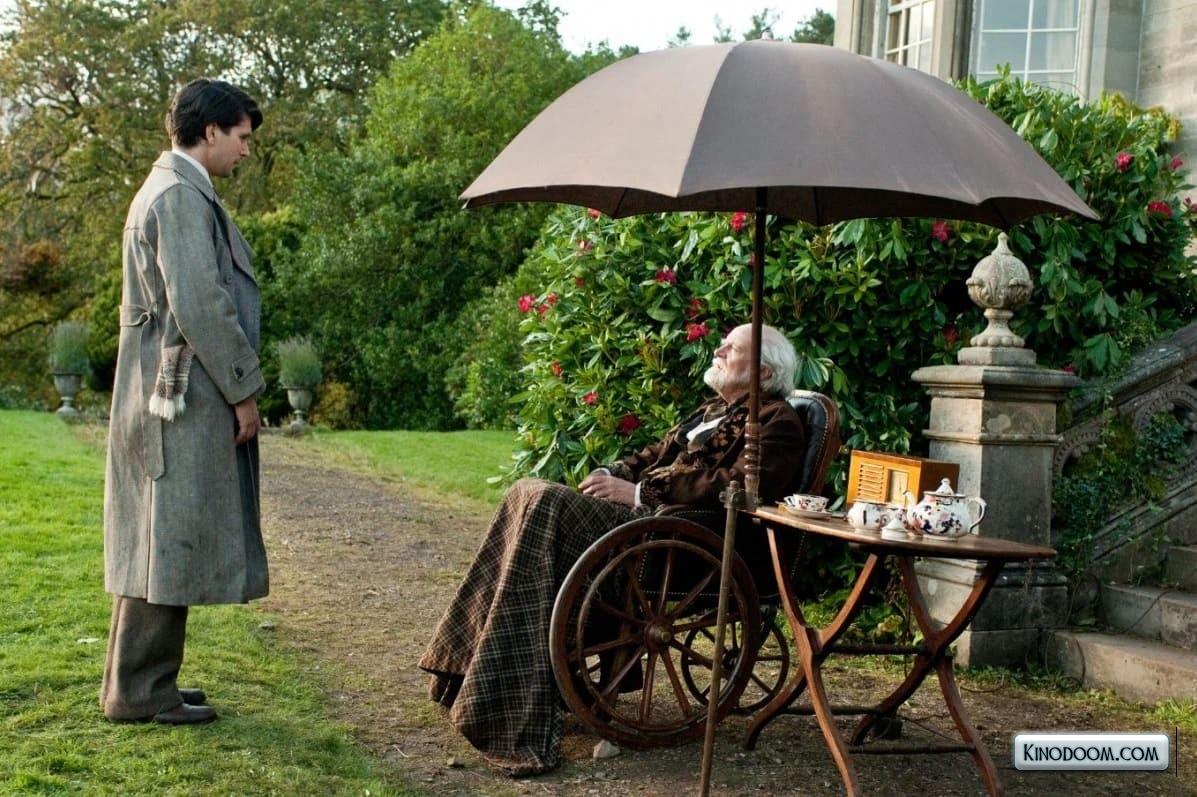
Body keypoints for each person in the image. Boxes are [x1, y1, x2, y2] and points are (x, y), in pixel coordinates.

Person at [419, 323, 807, 774]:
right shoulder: (711, 412)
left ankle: (507, 692)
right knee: (526, 492)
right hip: (644, 527)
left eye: (731, 347)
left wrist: (640, 493)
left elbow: (736, 487)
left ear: (763, 373)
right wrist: (613, 472)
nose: (718, 350)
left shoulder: (776, 423)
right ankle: (466, 666)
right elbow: (654, 455)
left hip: (674, 541)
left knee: (544, 501)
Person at [101, 78, 266, 725]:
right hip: (176, 395)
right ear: (210, 130)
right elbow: (199, 304)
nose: (246, 150)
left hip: (163, 390)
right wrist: (243, 389)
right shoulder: (177, 196)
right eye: (241, 137)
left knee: (159, 531)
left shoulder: (173, 189)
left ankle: (141, 684)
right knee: (165, 534)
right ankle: (142, 691)